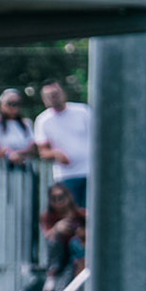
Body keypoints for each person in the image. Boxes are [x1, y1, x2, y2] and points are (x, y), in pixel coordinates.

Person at [32, 79, 93, 210]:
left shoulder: (83, 111)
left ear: (63, 93)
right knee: (72, 214)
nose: (54, 98)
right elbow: (43, 151)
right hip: (66, 175)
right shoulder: (43, 121)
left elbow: (99, 139)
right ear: (44, 99)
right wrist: (56, 154)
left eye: (56, 93)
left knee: (93, 211)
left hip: (90, 171)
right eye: (49, 96)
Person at [39, 183, 86, 291]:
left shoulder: (81, 214)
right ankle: (51, 275)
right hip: (59, 253)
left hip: (75, 252)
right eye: (54, 198)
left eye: (61, 197)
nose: (58, 201)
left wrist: (80, 232)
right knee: (53, 242)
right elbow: (47, 235)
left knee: (75, 246)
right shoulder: (47, 216)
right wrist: (56, 229)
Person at [0, 88, 35, 167]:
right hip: (2, 166)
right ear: (1, 104)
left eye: (17, 104)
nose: (13, 107)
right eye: (10, 103)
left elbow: (33, 147)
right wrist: (9, 155)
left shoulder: (26, 124)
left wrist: (19, 154)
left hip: (25, 165)